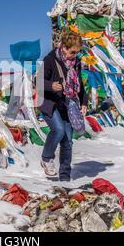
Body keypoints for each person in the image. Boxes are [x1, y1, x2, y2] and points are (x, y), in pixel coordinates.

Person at [38, 30, 88, 181]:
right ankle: (46, 158)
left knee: (68, 142)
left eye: (77, 52)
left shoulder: (76, 63)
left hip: (67, 106)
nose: (75, 55)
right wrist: (51, 86)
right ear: (64, 47)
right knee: (58, 130)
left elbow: (81, 86)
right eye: (72, 52)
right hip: (49, 103)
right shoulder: (50, 60)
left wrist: (84, 102)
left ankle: (65, 178)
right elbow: (38, 82)